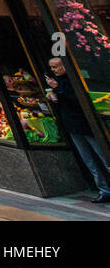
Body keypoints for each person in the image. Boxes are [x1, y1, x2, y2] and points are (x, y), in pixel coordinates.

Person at [46, 57, 110, 203]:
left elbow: (78, 100)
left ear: (65, 66)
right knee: (88, 159)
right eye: (52, 68)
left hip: (86, 124)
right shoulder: (58, 83)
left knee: (104, 155)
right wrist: (54, 98)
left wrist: (57, 88)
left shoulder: (73, 81)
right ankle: (104, 190)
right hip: (71, 125)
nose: (53, 70)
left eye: (56, 67)